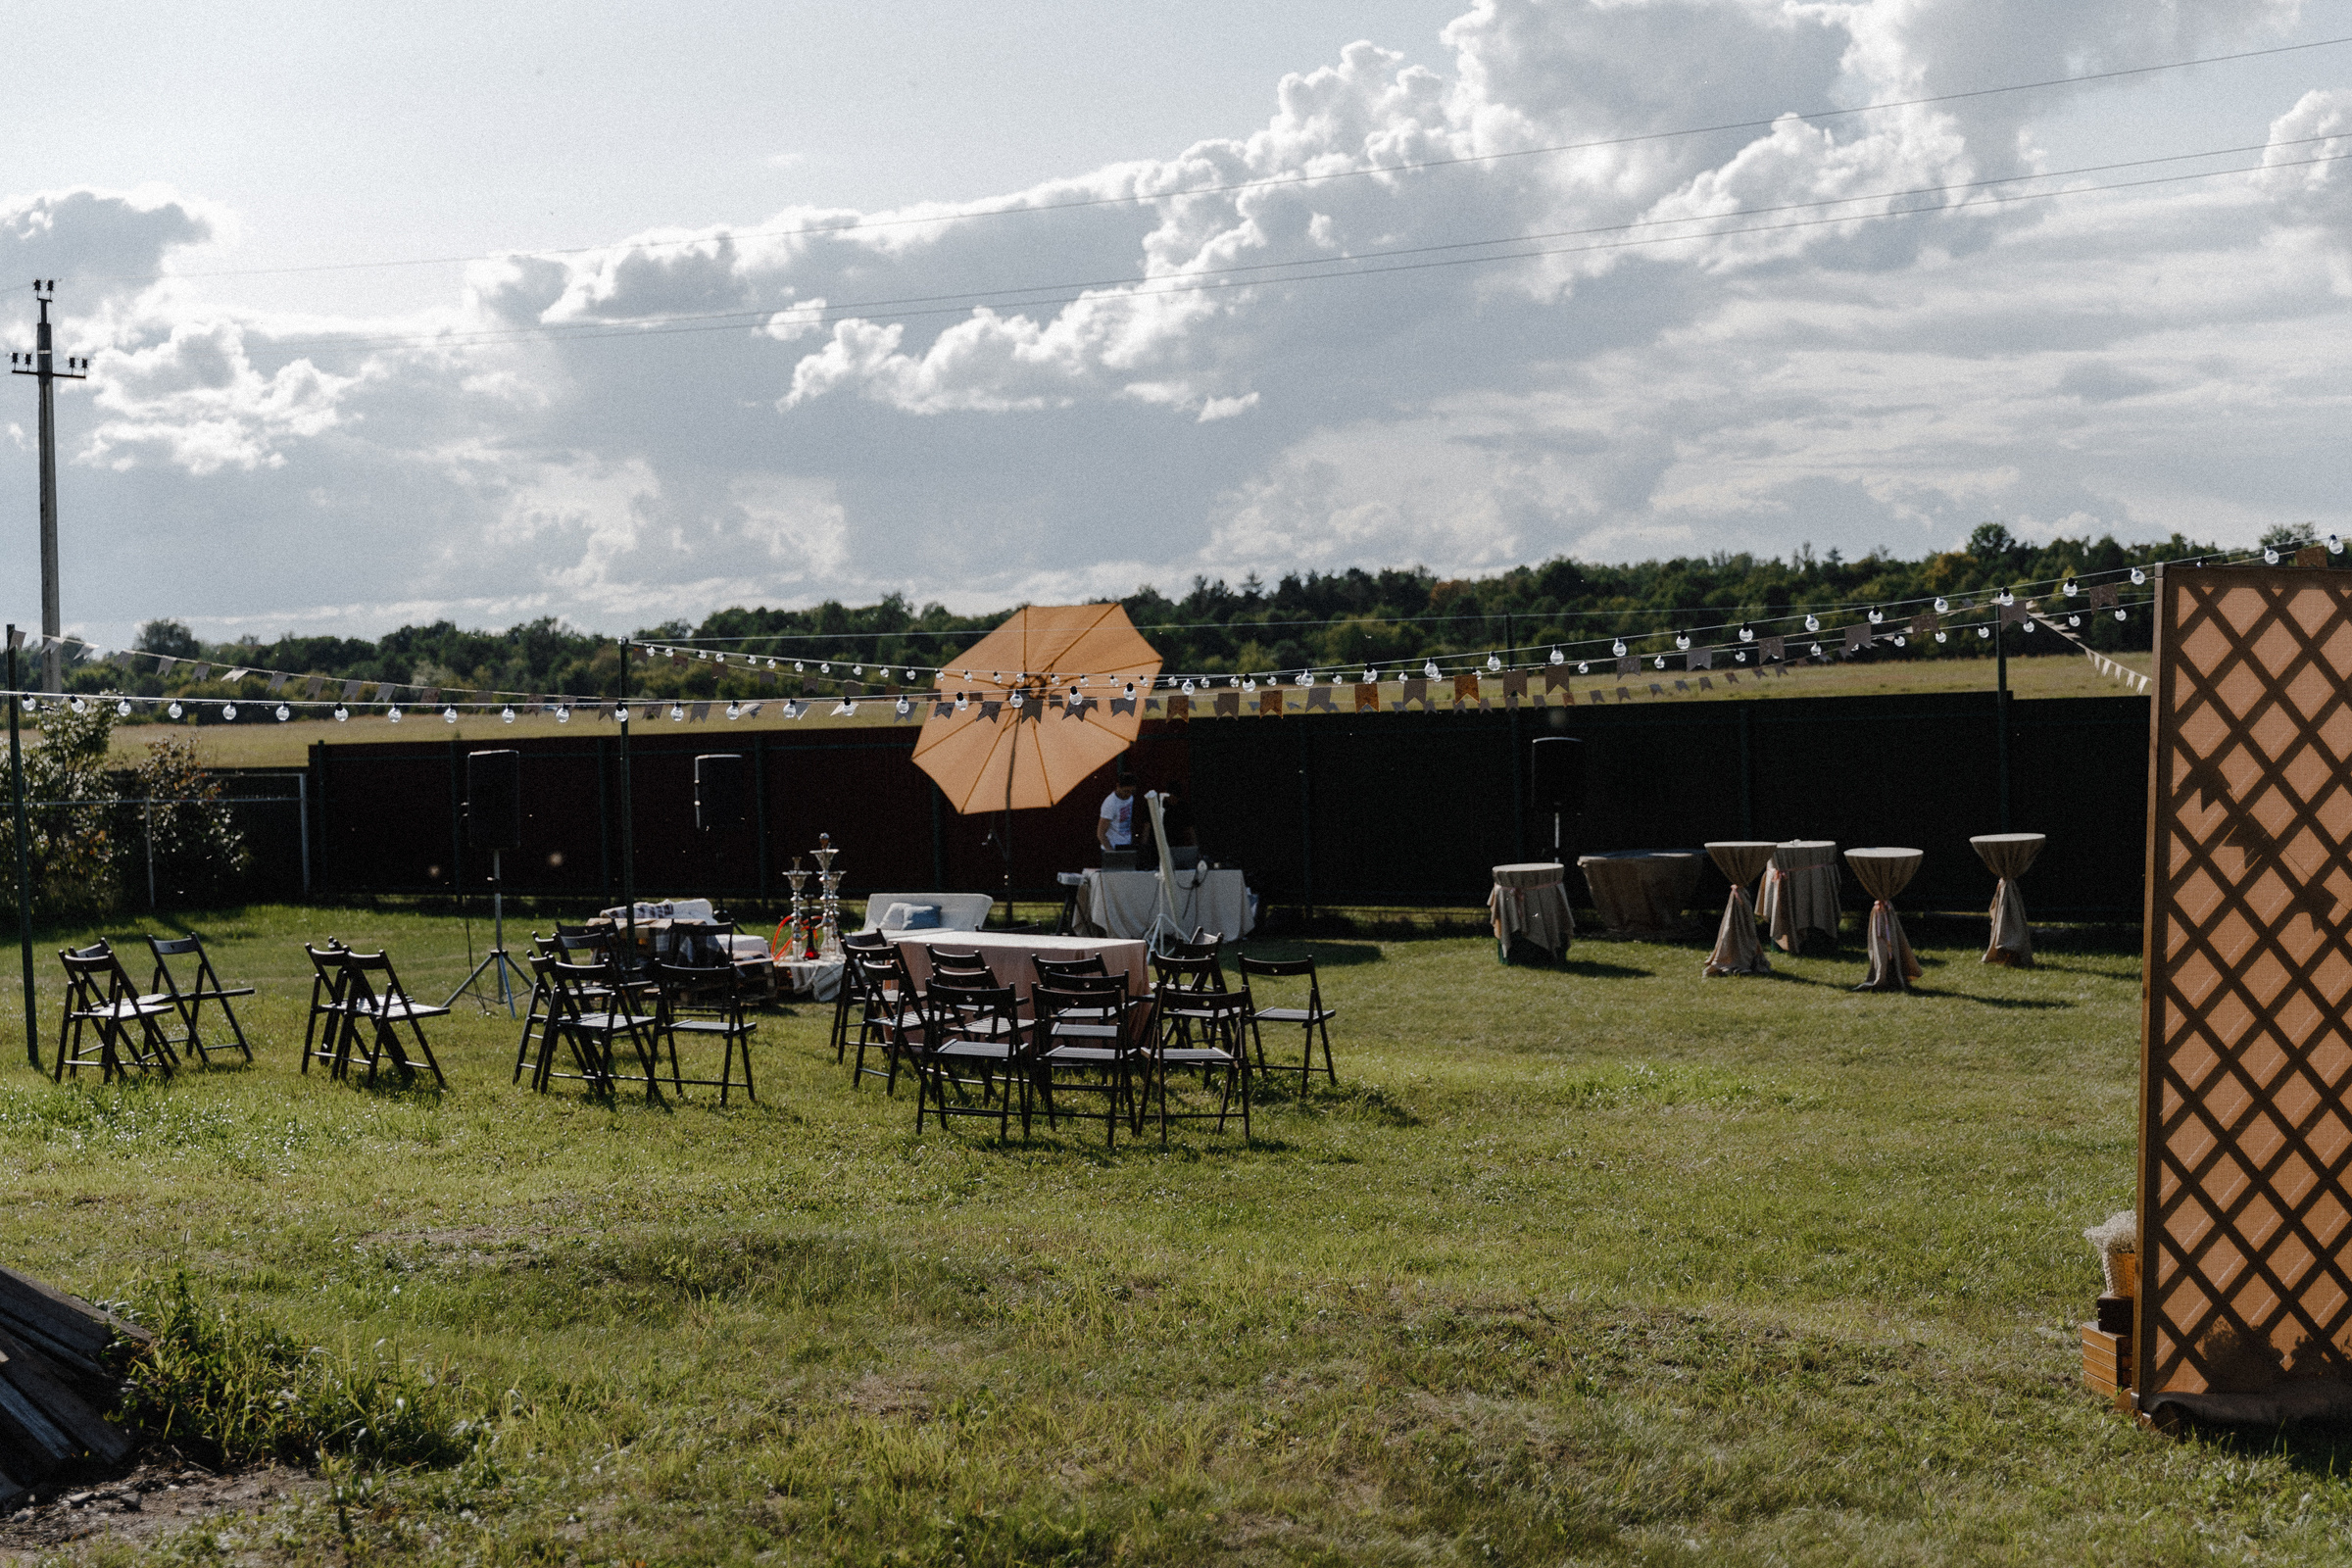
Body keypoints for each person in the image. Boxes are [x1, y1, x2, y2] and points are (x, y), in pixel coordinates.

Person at [1096, 776, 1138, 869]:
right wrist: (1111, 852)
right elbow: (1100, 833)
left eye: (1132, 791)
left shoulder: (1130, 798)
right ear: (1118, 786)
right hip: (1113, 848)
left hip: (1126, 847)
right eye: (1126, 791)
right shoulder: (1110, 804)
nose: (1128, 794)